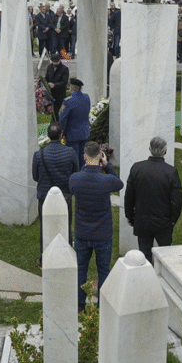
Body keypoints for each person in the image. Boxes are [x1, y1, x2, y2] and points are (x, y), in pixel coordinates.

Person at [70, 141, 123, 312]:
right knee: (103, 271)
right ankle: (103, 306)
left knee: (81, 270)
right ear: (101, 157)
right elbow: (119, 183)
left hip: (83, 233)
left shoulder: (76, 179)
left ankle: (79, 304)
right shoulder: (106, 180)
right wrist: (107, 166)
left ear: (84, 157)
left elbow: (73, 185)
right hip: (102, 233)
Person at [124, 137, 182, 264]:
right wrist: (173, 220)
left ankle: (146, 280)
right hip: (164, 221)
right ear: (165, 151)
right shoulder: (171, 172)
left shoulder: (137, 168)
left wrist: (130, 215)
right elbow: (177, 200)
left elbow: (129, 195)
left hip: (143, 219)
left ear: (150, 149)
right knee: (165, 257)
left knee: (144, 256)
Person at [32, 121, 81, 258]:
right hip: (65, 194)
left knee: (45, 227)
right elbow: (75, 173)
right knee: (66, 224)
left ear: (48, 135)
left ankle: (44, 257)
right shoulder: (70, 152)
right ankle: (66, 255)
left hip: (44, 195)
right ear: (61, 135)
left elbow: (36, 177)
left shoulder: (39, 155)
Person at [59, 78, 91, 163]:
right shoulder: (86, 98)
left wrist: (62, 132)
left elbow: (63, 119)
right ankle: (84, 174)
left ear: (71, 88)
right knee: (83, 156)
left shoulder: (68, 101)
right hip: (84, 132)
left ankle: (76, 175)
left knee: (74, 158)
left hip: (72, 134)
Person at [44, 53, 70, 121]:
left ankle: (55, 125)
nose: (55, 63)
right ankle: (55, 124)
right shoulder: (50, 67)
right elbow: (46, 77)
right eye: (54, 62)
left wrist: (55, 85)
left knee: (55, 111)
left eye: (56, 61)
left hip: (59, 94)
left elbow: (64, 82)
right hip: (51, 93)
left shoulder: (64, 69)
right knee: (53, 112)